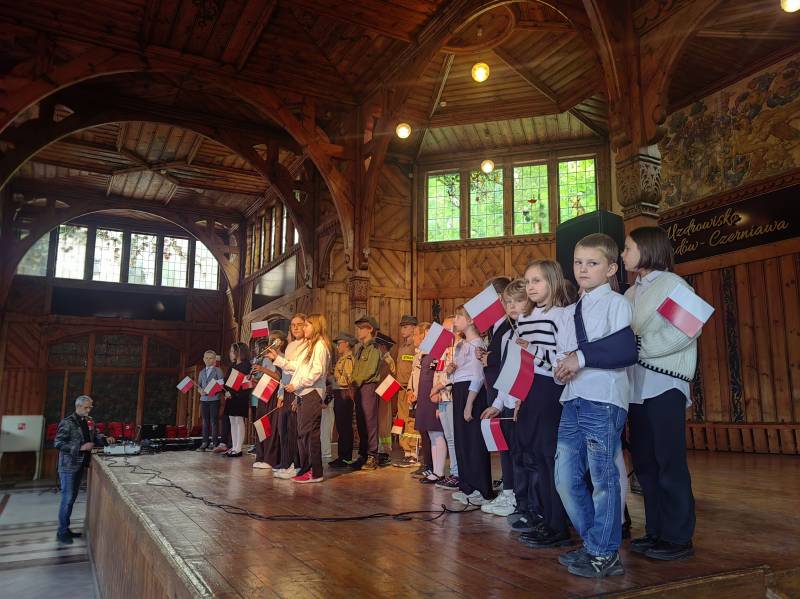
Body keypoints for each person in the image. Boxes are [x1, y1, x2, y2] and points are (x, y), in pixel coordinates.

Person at [553, 233, 635, 578]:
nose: (583, 269)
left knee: (603, 478)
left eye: (593, 263)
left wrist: (580, 358)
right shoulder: (570, 312)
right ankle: (595, 545)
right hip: (572, 398)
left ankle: (604, 553)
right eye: (578, 262)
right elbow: (564, 354)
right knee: (564, 478)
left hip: (603, 399)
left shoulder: (617, 303)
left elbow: (624, 349)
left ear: (611, 268)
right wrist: (561, 368)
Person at [622, 226, 698, 561]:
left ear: (648, 249)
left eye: (628, 248)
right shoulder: (630, 293)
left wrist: (637, 346)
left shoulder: (673, 285)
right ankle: (655, 530)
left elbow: (686, 329)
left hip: (665, 384)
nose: (623, 254)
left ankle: (678, 537)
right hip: (637, 387)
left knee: (669, 461)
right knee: (645, 463)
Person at [512, 261, 572, 548]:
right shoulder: (524, 318)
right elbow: (521, 362)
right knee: (535, 457)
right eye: (527, 281)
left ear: (553, 281)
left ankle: (558, 525)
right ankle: (545, 519)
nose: (531, 287)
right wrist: (517, 394)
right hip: (529, 390)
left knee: (550, 457)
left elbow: (563, 360)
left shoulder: (561, 315)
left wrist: (532, 349)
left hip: (550, 389)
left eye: (537, 280)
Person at [479, 279, 531, 518]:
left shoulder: (531, 330)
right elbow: (507, 373)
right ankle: (516, 498)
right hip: (508, 402)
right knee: (514, 454)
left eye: (516, 301)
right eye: (507, 302)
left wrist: (520, 397)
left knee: (527, 456)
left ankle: (525, 502)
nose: (510, 306)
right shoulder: (511, 333)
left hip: (525, 402)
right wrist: (498, 403)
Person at [269, 314, 332, 483]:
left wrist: (296, 385)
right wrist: (278, 360)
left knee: (309, 433)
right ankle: (307, 469)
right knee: (304, 432)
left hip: (312, 393)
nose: (304, 328)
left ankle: (314, 472)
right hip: (305, 393)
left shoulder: (320, 346)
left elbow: (316, 372)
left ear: (316, 327)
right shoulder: (311, 346)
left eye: (307, 325)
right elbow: (298, 367)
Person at [447, 305, 493, 505]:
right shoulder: (461, 345)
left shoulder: (477, 344)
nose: (455, 320)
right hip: (459, 390)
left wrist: (469, 404)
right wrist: (451, 371)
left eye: (459, 317)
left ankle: (481, 488)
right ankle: (467, 486)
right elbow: (459, 374)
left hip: (471, 394)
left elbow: (478, 376)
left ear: (471, 320)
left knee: (474, 442)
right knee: (462, 440)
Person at [54, 395, 114, 544]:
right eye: (86, 407)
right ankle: (62, 532)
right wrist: (80, 447)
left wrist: (105, 439)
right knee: (67, 499)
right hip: (68, 466)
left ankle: (65, 529)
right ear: (78, 406)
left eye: (90, 407)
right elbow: (58, 443)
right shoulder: (67, 422)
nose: (88, 410)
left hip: (81, 464)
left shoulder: (89, 421)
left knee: (72, 498)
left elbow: (95, 435)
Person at [407, 322, 446, 484]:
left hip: (433, 396)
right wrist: (412, 390)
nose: (414, 338)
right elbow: (415, 375)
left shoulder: (438, 352)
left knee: (436, 433)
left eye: (417, 334)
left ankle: (438, 471)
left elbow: (440, 376)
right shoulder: (423, 354)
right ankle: (434, 470)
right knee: (430, 433)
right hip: (424, 395)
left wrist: (437, 394)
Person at [272, 313, 306, 479]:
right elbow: (285, 373)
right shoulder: (291, 346)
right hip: (286, 391)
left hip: (297, 391)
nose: (296, 327)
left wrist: (298, 396)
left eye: (299, 324)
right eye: (293, 325)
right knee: (283, 430)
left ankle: (295, 464)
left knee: (293, 430)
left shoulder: (307, 345)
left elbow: (301, 372)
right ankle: (285, 463)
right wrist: (280, 394)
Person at [350, 315, 383, 470]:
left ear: (370, 329)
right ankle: (363, 454)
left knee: (370, 422)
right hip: (359, 387)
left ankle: (372, 455)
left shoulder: (374, 349)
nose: (358, 331)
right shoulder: (360, 349)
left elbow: (369, 370)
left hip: (368, 387)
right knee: (361, 422)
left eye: (361, 328)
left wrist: (355, 382)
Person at [251, 331, 287, 469]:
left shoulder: (282, 357)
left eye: (274, 340)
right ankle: (261, 455)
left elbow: (278, 377)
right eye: (270, 340)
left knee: (270, 424)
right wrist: (255, 379)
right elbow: (265, 375)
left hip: (273, 391)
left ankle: (270, 458)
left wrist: (261, 369)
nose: (270, 343)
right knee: (261, 423)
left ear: (281, 342)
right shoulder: (266, 357)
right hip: (263, 390)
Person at [433, 316, 459, 490]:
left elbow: (453, 375)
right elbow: (439, 372)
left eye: (447, 329)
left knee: (455, 438)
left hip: (452, 397)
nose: (444, 332)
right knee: (449, 437)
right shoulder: (444, 350)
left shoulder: (458, 348)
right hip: (442, 397)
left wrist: (437, 388)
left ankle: (458, 473)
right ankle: (454, 472)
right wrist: (436, 394)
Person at [393, 315, 419, 466]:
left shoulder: (416, 347)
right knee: (401, 420)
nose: (402, 330)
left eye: (405, 327)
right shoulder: (402, 347)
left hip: (411, 389)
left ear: (414, 328)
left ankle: (414, 453)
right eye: (402, 327)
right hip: (400, 389)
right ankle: (406, 452)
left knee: (412, 421)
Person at [329, 332, 357, 467]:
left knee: (344, 426)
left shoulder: (349, 359)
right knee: (341, 426)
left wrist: (333, 378)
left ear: (347, 344)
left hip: (344, 393)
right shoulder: (342, 359)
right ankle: (342, 456)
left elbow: (347, 380)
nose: (337, 347)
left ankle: (345, 457)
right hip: (339, 393)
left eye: (339, 344)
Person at [222, 342, 252, 457]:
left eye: (232, 351)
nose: (230, 353)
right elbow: (226, 381)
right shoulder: (232, 366)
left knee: (239, 420)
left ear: (238, 352)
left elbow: (245, 383)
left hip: (240, 397)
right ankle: (234, 447)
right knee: (232, 421)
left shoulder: (246, 365)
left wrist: (232, 393)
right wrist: (225, 391)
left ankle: (238, 449)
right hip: (230, 397)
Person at [375, 331, 397, 467]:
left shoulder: (387, 361)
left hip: (384, 395)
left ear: (382, 347)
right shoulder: (382, 360)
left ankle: (384, 451)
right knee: (380, 423)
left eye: (377, 346)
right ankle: (380, 450)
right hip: (380, 395)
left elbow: (390, 380)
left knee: (384, 423)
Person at [197, 349, 224, 451]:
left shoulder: (218, 370)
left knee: (213, 421)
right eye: (207, 358)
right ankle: (205, 442)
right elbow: (199, 386)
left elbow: (221, 385)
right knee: (205, 421)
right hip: (204, 400)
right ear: (203, 359)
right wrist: (200, 391)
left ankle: (214, 442)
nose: (208, 360)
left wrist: (212, 390)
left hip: (214, 399)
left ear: (214, 360)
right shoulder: (201, 372)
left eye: (211, 358)